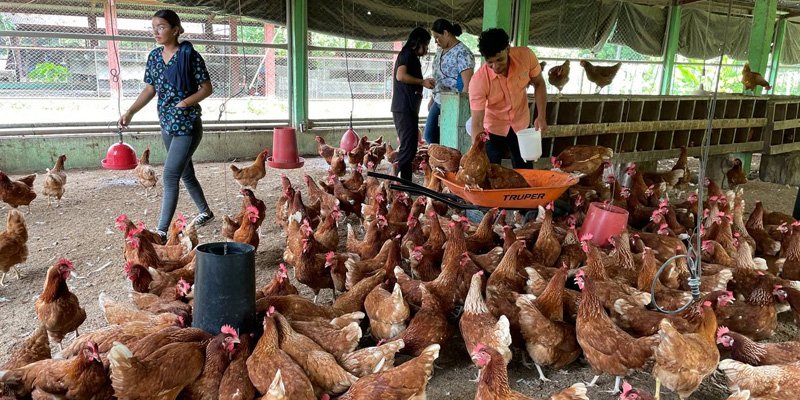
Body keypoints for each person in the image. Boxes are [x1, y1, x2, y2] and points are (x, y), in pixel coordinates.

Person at [118, 9, 214, 242]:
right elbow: (150, 89)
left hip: (187, 124)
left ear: (176, 29)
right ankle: (206, 212)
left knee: (171, 175)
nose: (156, 32)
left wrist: (185, 102)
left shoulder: (190, 56)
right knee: (185, 172)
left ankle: (161, 232)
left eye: (161, 27)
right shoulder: (154, 57)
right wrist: (131, 111)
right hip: (167, 123)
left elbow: (207, 88)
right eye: (153, 28)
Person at [469, 28, 547, 169]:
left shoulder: (526, 56)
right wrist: (476, 151)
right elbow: (477, 122)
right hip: (493, 127)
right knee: (490, 171)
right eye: (490, 62)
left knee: (525, 170)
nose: (496, 66)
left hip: (521, 124)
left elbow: (539, 83)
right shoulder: (478, 81)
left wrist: (541, 116)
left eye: (500, 59)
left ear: (508, 49)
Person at [392, 27, 435, 181]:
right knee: (407, 147)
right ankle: (398, 179)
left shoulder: (411, 57)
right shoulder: (406, 54)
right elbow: (400, 76)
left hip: (408, 108)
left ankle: (404, 182)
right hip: (403, 107)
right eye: (426, 44)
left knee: (410, 147)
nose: (426, 48)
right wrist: (422, 82)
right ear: (418, 42)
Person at [423, 19, 475, 145]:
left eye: (437, 37)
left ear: (446, 33)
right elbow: (438, 76)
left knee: (452, 138)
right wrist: (432, 98)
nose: (435, 41)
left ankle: (447, 161)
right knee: (430, 135)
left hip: (454, 102)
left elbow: (467, 84)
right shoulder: (440, 51)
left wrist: (461, 108)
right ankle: (439, 160)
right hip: (439, 99)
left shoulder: (463, 52)